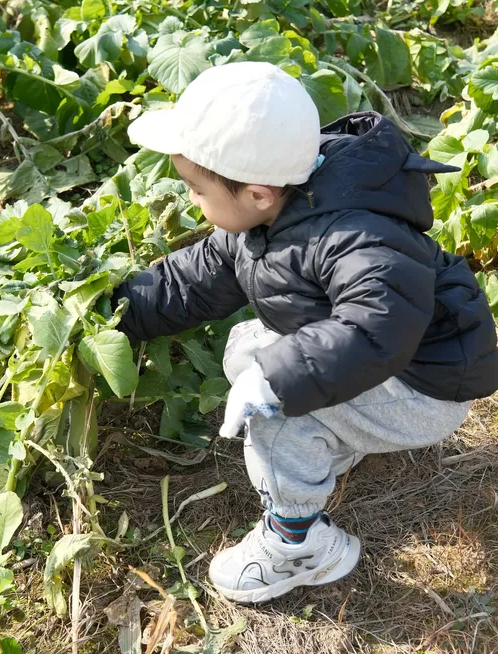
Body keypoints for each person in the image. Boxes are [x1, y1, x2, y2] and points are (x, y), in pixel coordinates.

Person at [114, 61, 498, 605]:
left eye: (197, 190)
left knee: (275, 419)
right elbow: (192, 281)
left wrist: (278, 382)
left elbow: (377, 328)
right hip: (387, 364)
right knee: (247, 347)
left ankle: (299, 545)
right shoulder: (276, 211)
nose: (192, 202)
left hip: (424, 388)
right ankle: (335, 440)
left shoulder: (358, 236)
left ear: (258, 193)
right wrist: (115, 312)